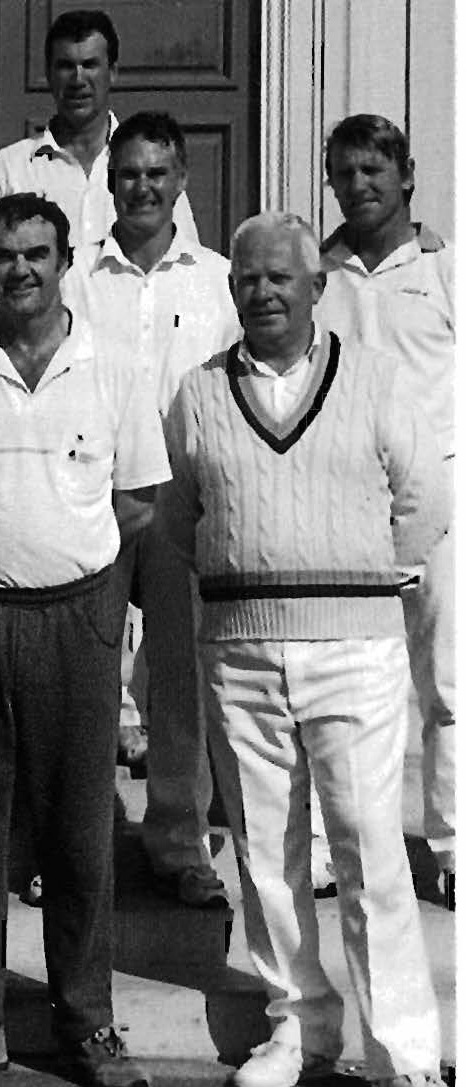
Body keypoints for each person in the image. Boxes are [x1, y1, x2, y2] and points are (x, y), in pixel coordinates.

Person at [157, 211, 447, 1087]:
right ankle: (297, 1024)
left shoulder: (377, 381)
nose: (264, 292)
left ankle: (405, 1049)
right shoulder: (199, 390)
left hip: (355, 651)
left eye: (282, 277)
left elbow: (423, 506)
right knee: (266, 853)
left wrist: (354, 579)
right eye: (248, 278)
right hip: (240, 651)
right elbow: (182, 519)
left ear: (318, 287)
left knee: (368, 849)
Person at [0, 193, 165, 1087]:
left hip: (79, 615)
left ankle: (87, 1022)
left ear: (64, 263)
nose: (21, 269)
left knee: (79, 830)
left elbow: (138, 502)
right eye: (6, 253)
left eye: (38, 254)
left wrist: (73, 563)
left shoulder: (113, 364)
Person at [61, 111, 241, 908]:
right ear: (112, 180)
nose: (142, 187)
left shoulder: (217, 278)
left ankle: (179, 842)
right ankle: (79, 842)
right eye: (128, 173)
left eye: (157, 173)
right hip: (93, 498)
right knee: (85, 678)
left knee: (177, 678)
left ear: (181, 181)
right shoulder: (77, 277)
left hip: (181, 502)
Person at [315, 113, 455, 909]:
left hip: (437, 493)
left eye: (375, 170)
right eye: (345, 172)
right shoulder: (318, 272)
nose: (360, 185)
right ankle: (332, 848)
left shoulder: (446, 271)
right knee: (336, 679)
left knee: (445, 678)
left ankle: (454, 845)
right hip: (343, 497)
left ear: (406, 176)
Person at [0, 10, 198, 263]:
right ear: (49, 75)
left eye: (90, 65)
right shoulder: (9, 170)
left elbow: (184, 263)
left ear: (113, 71)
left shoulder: (151, 169)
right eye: (66, 66)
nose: (78, 79)